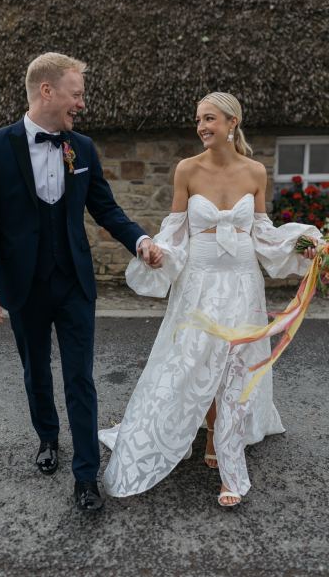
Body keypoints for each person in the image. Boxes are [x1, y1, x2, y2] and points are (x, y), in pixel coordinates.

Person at [99, 92, 321, 507]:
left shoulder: (255, 171)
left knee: (234, 367)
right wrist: (159, 251)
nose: (202, 127)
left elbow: (263, 234)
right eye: (199, 120)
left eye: (210, 119)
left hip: (242, 283)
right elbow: (176, 230)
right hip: (198, 284)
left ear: (232, 122)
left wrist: (300, 245)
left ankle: (226, 458)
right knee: (193, 361)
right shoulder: (187, 169)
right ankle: (191, 429)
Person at [0, 52, 160, 512]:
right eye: (77, 94)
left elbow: (106, 209)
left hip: (74, 282)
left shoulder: (83, 148)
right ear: (47, 91)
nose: (82, 104)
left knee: (80, 377)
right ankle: (48, 439)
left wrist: (141, 241)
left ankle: (86, 478)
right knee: (36, 370)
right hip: (23, 283)